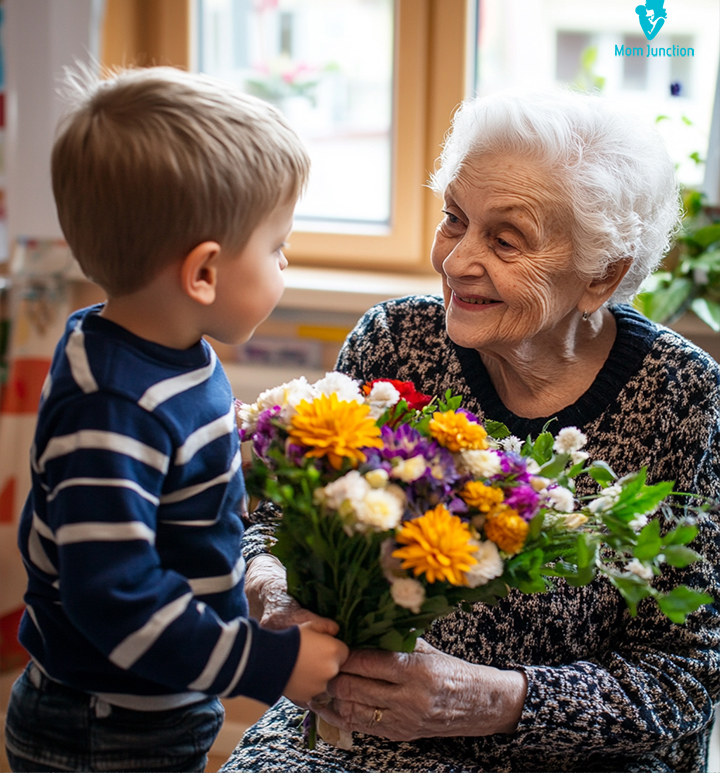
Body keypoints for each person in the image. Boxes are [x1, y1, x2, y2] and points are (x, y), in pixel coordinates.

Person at [223, 89, 720, 773]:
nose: (456, 262)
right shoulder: (395, 341)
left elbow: (685, 677)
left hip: (570, 758)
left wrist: (486, 699)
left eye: (505, 240)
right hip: (365, 736)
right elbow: (276, 524)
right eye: (455, 219)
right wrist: (271, 588)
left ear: (602, 274)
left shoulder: (680, 396)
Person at [3, 67, 348, 773]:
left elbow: (175, 487)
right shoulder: (113, 408)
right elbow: (117, 599)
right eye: (277, 247)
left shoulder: (169, 355)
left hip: (156, 699)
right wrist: (267, 663)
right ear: (204, 274)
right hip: (105, 725)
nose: (286, 262)